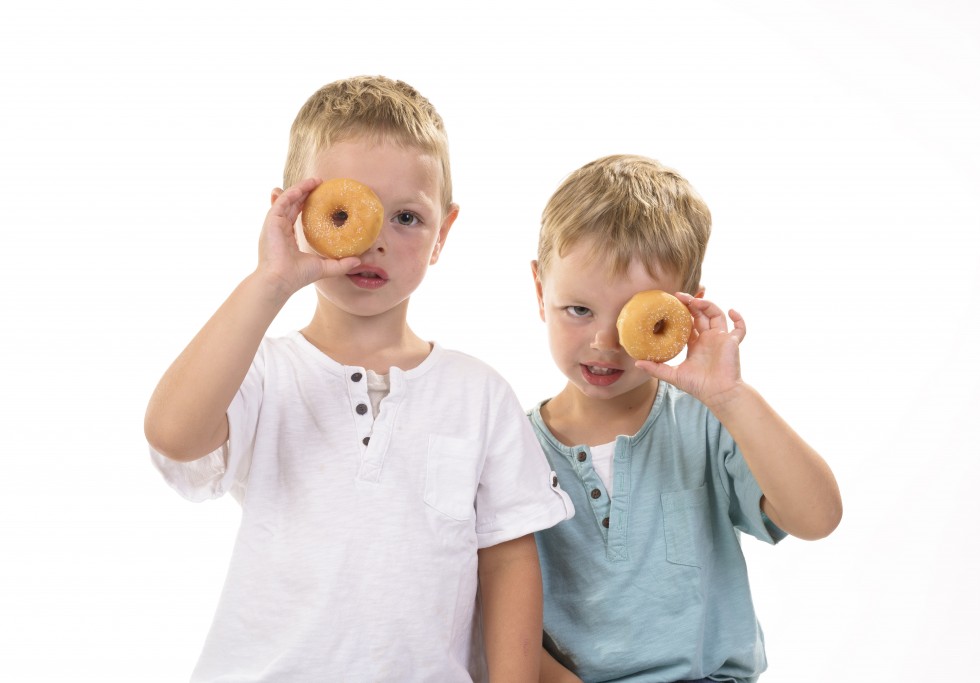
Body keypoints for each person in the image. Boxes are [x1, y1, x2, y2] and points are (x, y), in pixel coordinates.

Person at [144, 76, 573, 682]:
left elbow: (506, 563)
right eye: (344, 211)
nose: (373, 240)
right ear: (289, 214)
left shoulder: (478, 395)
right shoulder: (262, 372)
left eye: (407, 218)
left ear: (443, 234)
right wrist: (270, 280)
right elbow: (173, 433)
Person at [528, 155, 842, 683]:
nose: (604, 342)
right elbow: (490, 610)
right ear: (541, 291)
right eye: (578, 310)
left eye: (635, 316)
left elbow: (818, 518)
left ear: (685, 308)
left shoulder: (706, 424)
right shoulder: (509, 447)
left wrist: (732, 398)